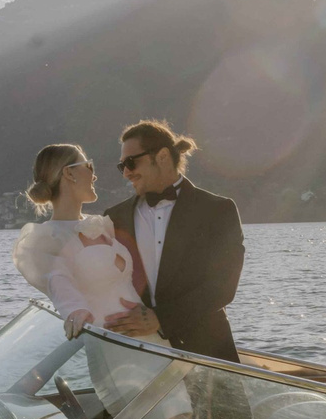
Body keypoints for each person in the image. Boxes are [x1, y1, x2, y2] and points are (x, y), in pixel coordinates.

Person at [12, 143, 193, 419]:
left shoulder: (100, 225)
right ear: (70, 174)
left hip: (153, 346)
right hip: (117, 353)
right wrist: (75, 310)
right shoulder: (46, 239)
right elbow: (59, 280)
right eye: (90, 166)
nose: (94, 175)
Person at [103, 118, 244, 364]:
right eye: (121, 166)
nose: (126, 172)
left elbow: (223, 286)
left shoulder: (218, 210)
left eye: (131, 162)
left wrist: (161, 318)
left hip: (207, 351)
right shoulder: (114, 218)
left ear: (163, 156)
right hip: (138, 357)